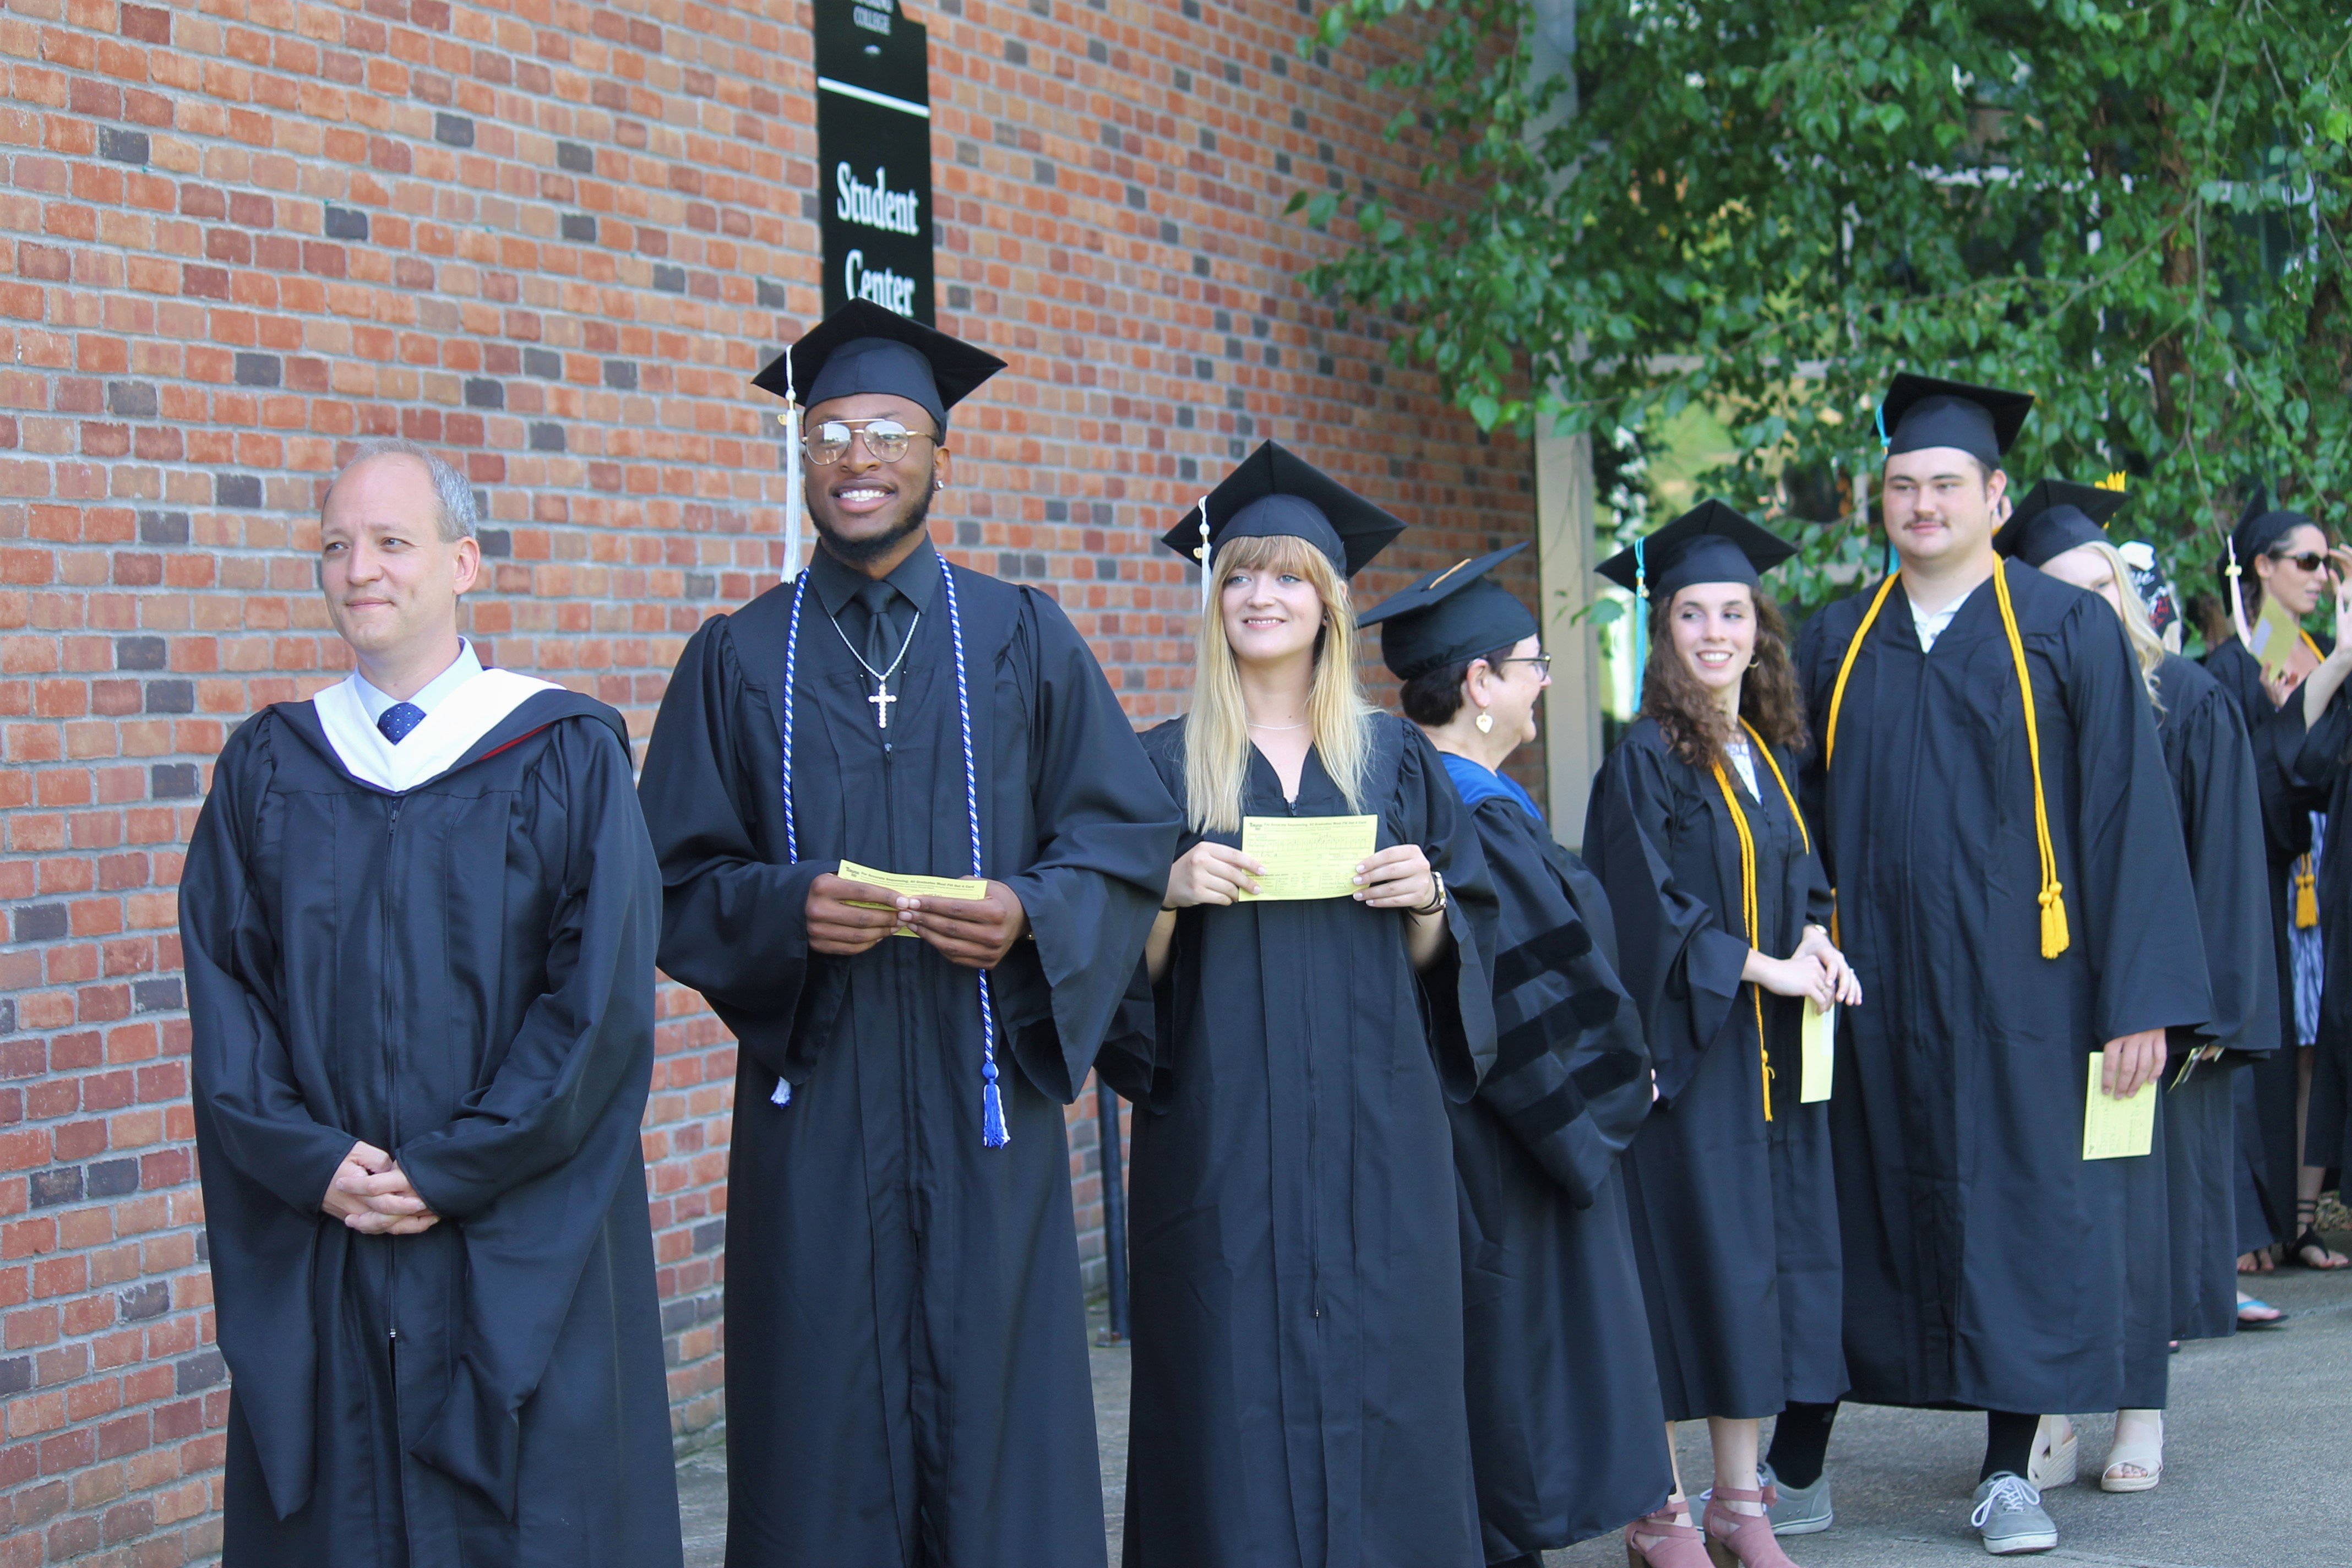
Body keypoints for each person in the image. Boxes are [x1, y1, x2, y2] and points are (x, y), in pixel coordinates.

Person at [636, 301, 1182, 1568]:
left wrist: (1030, 913)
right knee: (819, 1419)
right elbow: (667, 876)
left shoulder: (1020, 637)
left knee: (998, 1423)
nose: (858, 456)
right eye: (830, 433)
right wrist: (784, 908)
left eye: (889, 430)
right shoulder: (736, 657)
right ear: (804, 458)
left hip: (981, 1097)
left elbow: (1122, 836)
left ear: (941, 453)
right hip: (813, 1111)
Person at [183, 441, 680, 1567]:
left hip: (512, 1228)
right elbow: (228, 998)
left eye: (391, 541)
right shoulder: (268, 769)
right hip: (338, 1227)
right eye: (335, 545)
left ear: (465, 562)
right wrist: (310, 1157)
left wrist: (458, 1163)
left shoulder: (566, 751)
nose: (359, 567)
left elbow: (597, 1004)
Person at [1785, 375, 2209, 1556]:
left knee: (2026, 1212)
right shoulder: (1838, 633)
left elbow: (2127, 816)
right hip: (1871, 986)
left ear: (1996, 497)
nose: (1922, 505)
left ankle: (2007, 1469)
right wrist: (1798, 938)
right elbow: (1793, 814)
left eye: (1946, 486)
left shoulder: (2062, 628)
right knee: (1854, 1203)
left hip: (2030, 986)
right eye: (1903, 486)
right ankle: (1799, 1457)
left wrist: (2145, 999)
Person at [1099, 442, 1498, 1568]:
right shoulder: (1159, 765)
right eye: (1238, 575)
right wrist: (1165, 895)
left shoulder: (1398, 767)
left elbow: (1462, 955)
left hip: (1382, 1145)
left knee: (1394, 1389)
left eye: (1286, 577)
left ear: (1330, 602)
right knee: (1227, 1397)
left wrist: (1427, 898)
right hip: (1224, 1151)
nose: (1260, 596)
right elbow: (1115, 985)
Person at [1361, 544, 1676, 1566]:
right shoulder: (1472, 817)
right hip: (1509, 1140)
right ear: (1482, 683)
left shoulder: (1439, 800)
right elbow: (1540, 989)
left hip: (1474, 1126)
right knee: (1511, 1366)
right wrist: (1621, 1083)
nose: (1546, 682)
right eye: (1532, 663)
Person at [1582, 504, 1862, 1568]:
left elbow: (1801, 881)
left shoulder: (1769, 752)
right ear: (1665, 633)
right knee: (1681, 1274)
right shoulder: (1642, 761)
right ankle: (1658, 1509)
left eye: (1732, 612)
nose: (1714, 632)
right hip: (1686, 1064)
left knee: (1757, 1274)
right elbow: (1642, 909)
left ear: (1759, 627)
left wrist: (1819, 943)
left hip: (1771, 1071)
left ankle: (1740, 1503)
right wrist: (1768, 967)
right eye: (1692, 613)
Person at [2000, 481, 2278, 1493]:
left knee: (2139, 1222)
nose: (2086, 607)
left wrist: (2196, 1014)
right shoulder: (2019, 709)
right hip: (2042, 1014)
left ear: (2125, 590)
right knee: (2041, 1216)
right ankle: (2043, 1422)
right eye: (2060, 590)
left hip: (2153, 1020)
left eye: (2100, 585)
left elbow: (2226, 869)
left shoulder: (2188, 701)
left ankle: (2137, 1414)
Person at [2202, 488, 2352, 1272]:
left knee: (2309, 1047)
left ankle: (2301, 1218)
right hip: (2261, 875)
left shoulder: (2324, 656)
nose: (2322, 574)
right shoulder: (2232, 666)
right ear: (2261, 569)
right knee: (2261, 1042)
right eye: (2307, 561)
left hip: (2323, 874)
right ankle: (2250, 1218)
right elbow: (2251, 787)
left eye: (2329, 562)